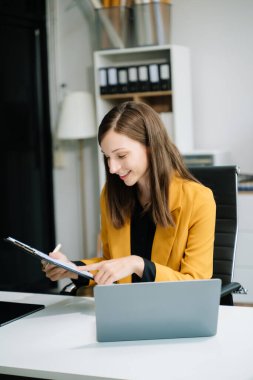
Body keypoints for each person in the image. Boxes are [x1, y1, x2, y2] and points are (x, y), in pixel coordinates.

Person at [43, 101, 216, 287]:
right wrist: (74, 269)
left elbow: (197, 283)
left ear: (151, 146)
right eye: (107, 156)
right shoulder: (111, 195)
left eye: (121, 156)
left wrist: (138, 264)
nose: (112, 168)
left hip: (170, 310)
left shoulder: (199, 200)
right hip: (126, 307)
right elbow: (111, 262)